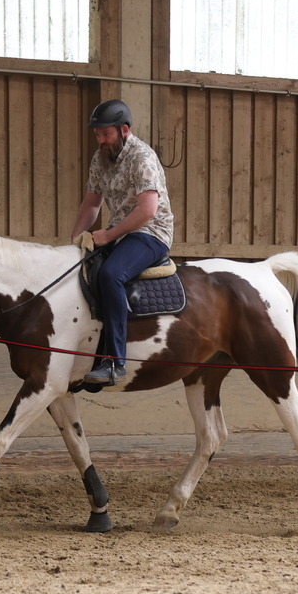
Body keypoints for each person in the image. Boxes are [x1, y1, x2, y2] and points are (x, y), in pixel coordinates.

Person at [70, 99, 174, 385]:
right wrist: (76, 237)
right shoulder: (99, 159)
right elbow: (92, 202)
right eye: (97, 135)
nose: (100, 140)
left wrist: (108, 235)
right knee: (82, 271)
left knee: (111, 274)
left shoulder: (143, 158)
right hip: (120, 232)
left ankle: (115, 362)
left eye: (106, 134)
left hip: (151, 232)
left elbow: (148, 210)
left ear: (124, 130)